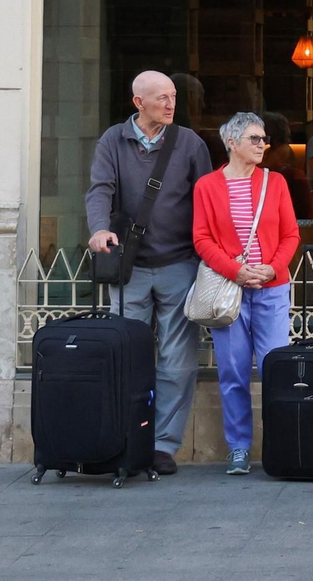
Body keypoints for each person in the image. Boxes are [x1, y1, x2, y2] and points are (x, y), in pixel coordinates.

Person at [85, 70, 212, 475]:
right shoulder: (113, 140)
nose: (171, 104)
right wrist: (99, 229)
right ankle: (126, 437)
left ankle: (162, 446)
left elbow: (205, 198)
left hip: (179, 264)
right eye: (161, 98)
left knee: (178, 360)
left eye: (173, 96)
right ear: (138, 102)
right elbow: (100, 188)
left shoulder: (189, 142)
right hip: (130, 267)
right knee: (126, 356)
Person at [192, 111, 301, 476]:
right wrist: (235, 270)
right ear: (232, 143)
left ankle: (280, 443)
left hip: (271, 290)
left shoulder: (276, 183)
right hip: (229, 293)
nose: (262, 145)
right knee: (234, 372)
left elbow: (291, 235)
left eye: (264, 139)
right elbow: (202, 238)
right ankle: (238, 448)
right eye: (255, 139)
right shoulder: (207, 186)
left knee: (276, 370)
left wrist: (272, 268)